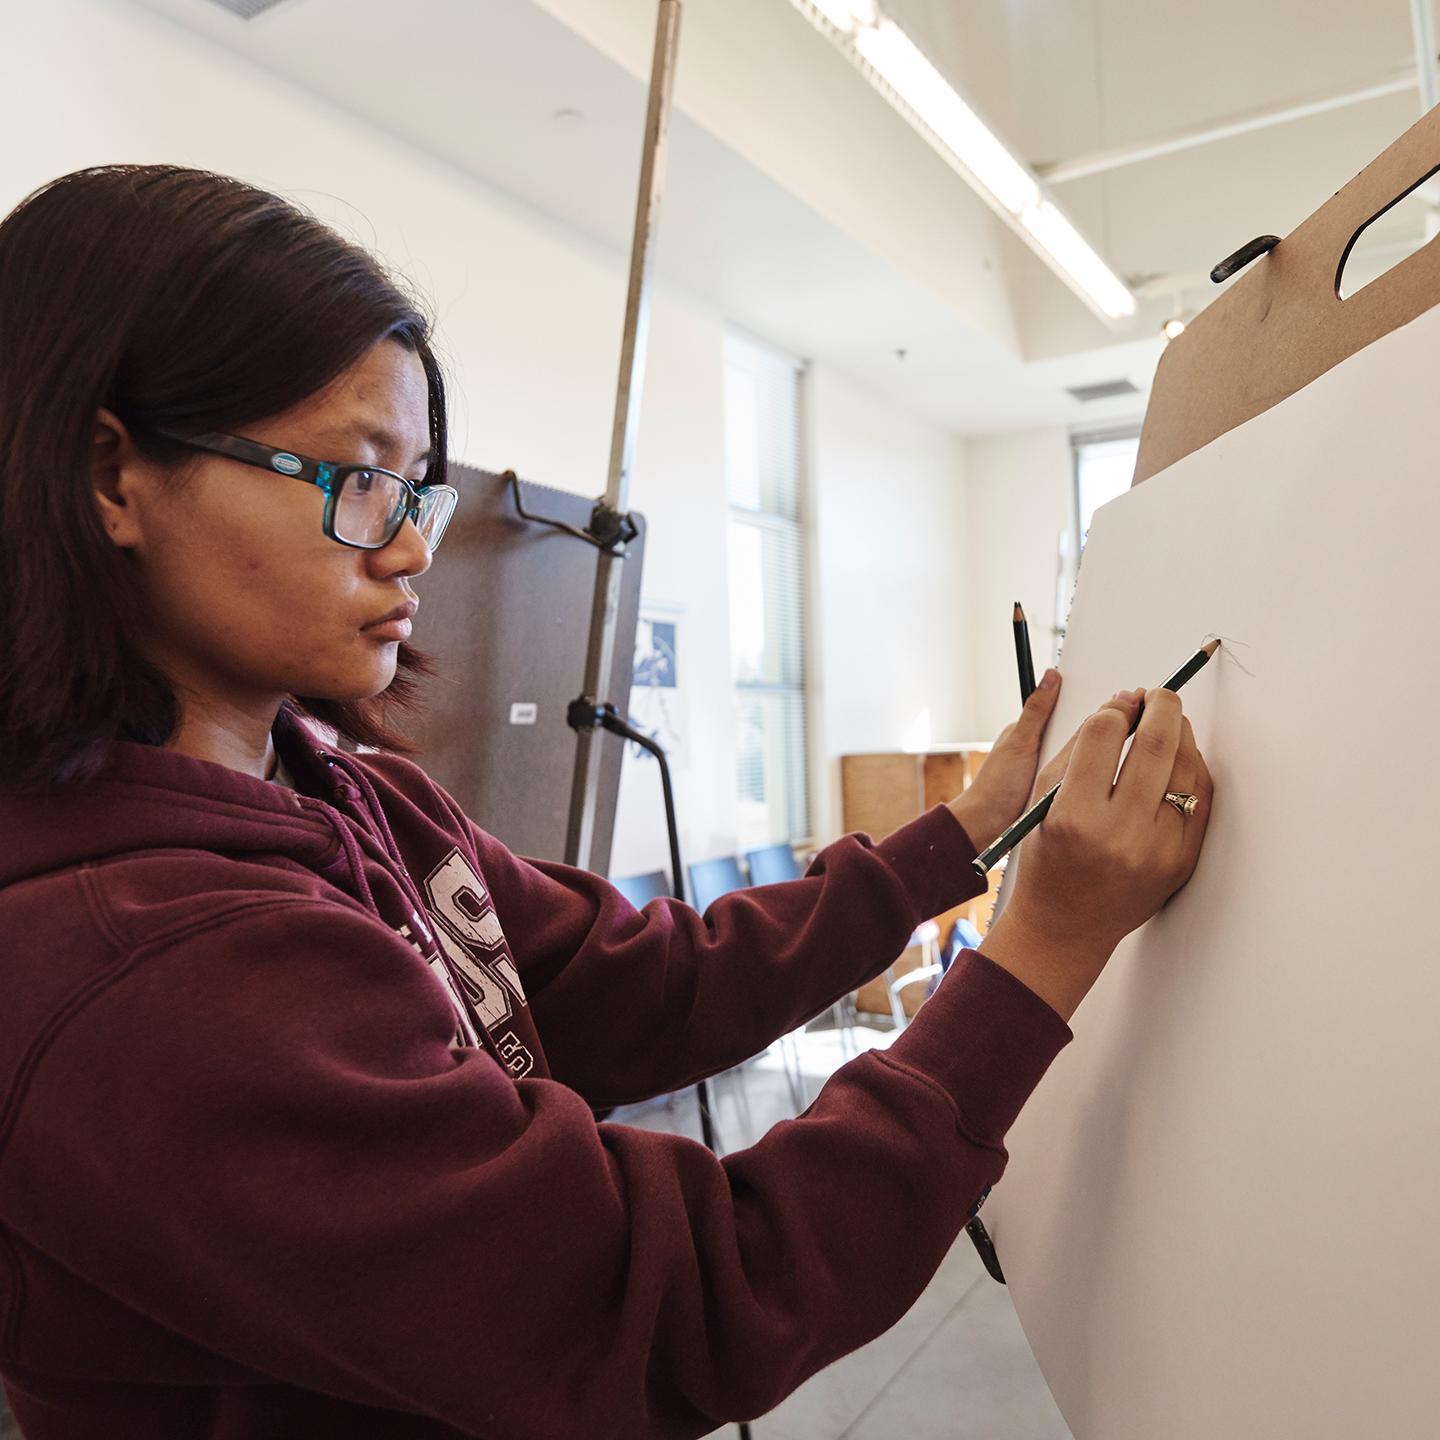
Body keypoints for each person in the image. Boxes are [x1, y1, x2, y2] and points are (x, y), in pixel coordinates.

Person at [0, 165, 1213, 1440]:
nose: (411, 548)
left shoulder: (352, 793)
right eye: (356, 481)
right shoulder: (143, 966)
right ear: (114, 478)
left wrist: (954, 839)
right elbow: (679, 1301)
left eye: (418, 492)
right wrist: (1043, 949)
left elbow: (648, 982)